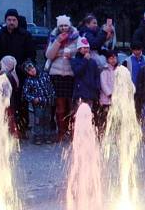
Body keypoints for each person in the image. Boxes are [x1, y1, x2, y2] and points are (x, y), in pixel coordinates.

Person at [0, 9, 35, 136]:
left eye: (14, 20)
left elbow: (30, 55)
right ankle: (6, 128)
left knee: (22, 102)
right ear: (5, 20)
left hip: (21, 74)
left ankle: (22, 129)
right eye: (9, 20)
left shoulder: (25, 35)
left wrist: (26, 68)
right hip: (3, 75)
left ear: (17, 21)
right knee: (6, 102)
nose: (11, 22)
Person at [45, 14, 80, 142]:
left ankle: (71, 131)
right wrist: (58, 42)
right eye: (61, 26)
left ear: (69, 25)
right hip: (57, 74)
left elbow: (79, 50)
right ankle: (61, 131)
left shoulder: (76, 36)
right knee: (60, 106)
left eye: (66, 25)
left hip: (71, 73)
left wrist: (69, 52)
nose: (63, 28)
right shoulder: (54, 36)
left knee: (71, 105)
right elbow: (49, 55)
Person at [22, 60, 56, 145]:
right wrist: (33, 99)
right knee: (38, 120)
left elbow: (51, 86)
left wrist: (52, 95)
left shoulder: (44, 75)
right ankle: (38, 136)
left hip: (47, 102)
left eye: (32, 68)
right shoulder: (28, 81)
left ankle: (47, 135)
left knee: (47, 119)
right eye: (29, 70)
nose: (32, 71)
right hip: (38, 104)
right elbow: (25, 93)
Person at [71, 38, 100, 110]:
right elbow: (77, 72)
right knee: (80, 113)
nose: (86, 49)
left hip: (91, 93)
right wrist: (85, 60)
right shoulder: (75, 60)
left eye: (87, 48)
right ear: (79, 49)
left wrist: (97, 87)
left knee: (89, 114)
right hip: (80, 92)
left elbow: (97, 75)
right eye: (84, 48)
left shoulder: (93, 62)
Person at [98, 50, 118, 132]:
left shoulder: (118, 69)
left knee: (114, 118)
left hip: (116, 99)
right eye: (111, 58)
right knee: (105, 117)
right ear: (107, 59)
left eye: (114, 58)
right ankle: (104, 132)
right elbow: (103, 84)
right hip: (106, 100)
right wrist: (110, 94)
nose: (113, 60)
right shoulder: (104, 70)